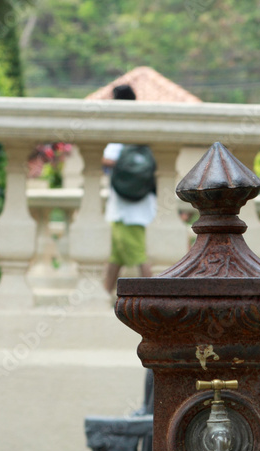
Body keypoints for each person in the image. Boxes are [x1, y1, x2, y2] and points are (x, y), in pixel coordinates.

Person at [102, 83, 157, 294]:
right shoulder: (141, 124)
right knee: (116, 255)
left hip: (124, 206)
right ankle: (105, 295)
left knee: (138, 255)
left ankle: (153, 296)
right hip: (140, 201)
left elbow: (109, 159)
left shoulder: (120, 127)